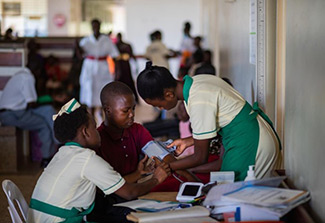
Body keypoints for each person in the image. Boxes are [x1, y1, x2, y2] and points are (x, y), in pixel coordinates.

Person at [27, 98, 170, 223]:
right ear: (85, 132)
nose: (98, 132)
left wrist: (138, 174)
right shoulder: (87, 158)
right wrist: (156, 179)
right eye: (94, 127)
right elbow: (129, 193)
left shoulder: (63, 153)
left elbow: (106, 189)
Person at [136, 61, 282, 181]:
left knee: (235, 197)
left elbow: (200, 157)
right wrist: (188, 141)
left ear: (168, 94)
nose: (161, 109)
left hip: (249, 142)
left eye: (158, 105)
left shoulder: (198, 99)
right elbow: (224, 118)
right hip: (249, 134)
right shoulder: (197, 83)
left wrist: (168, 167)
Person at [95, 81, 199, 191]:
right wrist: (138, 175)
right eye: (126, 111)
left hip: (135, 193)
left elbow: (162, 155)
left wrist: (194, 181)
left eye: (133, 108)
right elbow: (107, 187)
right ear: (108, 110)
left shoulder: (136, 130)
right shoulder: (98, 141)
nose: (132, 114)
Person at [0, 68, 57, 167]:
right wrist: (50, 99)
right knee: (44, 124)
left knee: (48, 110)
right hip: (14, 115)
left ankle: (58, 142)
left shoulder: (19, 75)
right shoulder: (27, 78)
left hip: (14, 112)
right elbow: (32, 102)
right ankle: (47, 158)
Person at [78, 18, 119, 123]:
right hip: (89, 67)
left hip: (103, 67)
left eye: (97, 25)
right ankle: (91, 117)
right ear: (91, 27)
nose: (95, 28)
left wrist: (117, 69)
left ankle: (102, 114)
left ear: (100, 26)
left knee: (103, 91)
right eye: (93, 26)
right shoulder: (86, 40)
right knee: (90, 91)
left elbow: (114, 55)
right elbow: (79, 55)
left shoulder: (106, 40)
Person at [114, 33, 138, 103]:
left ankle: (132, 97)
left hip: (126, 66)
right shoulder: (115, 45)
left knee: (128, 81)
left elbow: (131, 55)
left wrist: (136, 65)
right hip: (118, 66)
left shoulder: (127, 45)